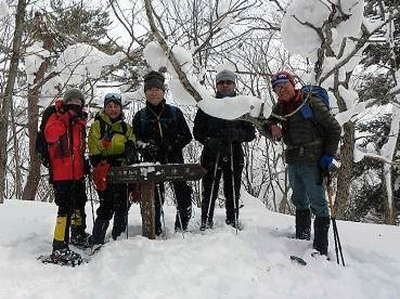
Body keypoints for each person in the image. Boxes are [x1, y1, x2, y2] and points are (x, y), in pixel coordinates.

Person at [263, 71, 341, 256]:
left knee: (318, 202)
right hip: (293, 159)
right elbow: (267, 124)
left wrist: (328, 155)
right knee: (299, 200)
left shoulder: (310, 102)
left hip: (313, 160)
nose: (281, 91)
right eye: (277, 89)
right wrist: (270, 127)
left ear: (292, 84)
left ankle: (320, 249)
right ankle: (302, 239)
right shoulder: (280, 107)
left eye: (284, 86)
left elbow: (334, 128)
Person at [193, 69, 255, 231]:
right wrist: (209, 141)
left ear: (234, 84)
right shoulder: (208, 105)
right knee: (209, 188)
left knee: (232, 188)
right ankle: (206, 220)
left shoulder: (242, 105)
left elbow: (250, 133)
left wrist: (237, 134)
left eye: (228, 82)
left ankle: (232, 220)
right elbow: (197, 132)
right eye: (221, 82)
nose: (225, 85)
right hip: (211, 152)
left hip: (234, 151)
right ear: (216, 85)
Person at [132, 71, 193, 235]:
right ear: (145, 92)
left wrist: (171, 145)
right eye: (149, 89)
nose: (153, 92)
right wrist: (146, 147)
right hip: (152, 162)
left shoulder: (175, 112)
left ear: (163, 91)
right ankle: (155, 228)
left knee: (182, 193)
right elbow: (135, 140)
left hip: (174, 160)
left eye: (156, 89)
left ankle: (182, 226)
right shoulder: (140, 116)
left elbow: (187, 136)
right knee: (155, 197)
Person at [44, 88, 90, 264]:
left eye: (79, 102)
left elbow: (78, 149)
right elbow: (51, 135)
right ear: (66, 101)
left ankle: (77, 234)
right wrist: (65, 119)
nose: (75, 104)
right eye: (72, 101)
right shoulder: (56, 116)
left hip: (76, 173)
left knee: (79, 203)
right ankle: (59, 246)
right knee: (64, 209)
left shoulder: (80, 122)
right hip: (61, 174)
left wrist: (84, 163)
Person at [88, 93, 138, 248]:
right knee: (107, 206)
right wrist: (105, 143)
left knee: (123, 205)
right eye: (109, 106)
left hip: (122, 171)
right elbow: (94, 149)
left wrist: (130, 150)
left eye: (116, 106)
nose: (113, 109)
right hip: (105, 171)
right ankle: (97, 240)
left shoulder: (126, 127)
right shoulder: (98, 125)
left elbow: (132, 144)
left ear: (120, 108)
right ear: (105, 108)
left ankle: (118, 239)